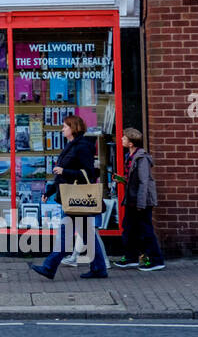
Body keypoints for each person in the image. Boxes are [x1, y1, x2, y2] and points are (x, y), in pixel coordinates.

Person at [29, 114, 108, 279]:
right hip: (71, 198)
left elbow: (89, 173)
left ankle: (49, 267)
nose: (62, 129)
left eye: (65, 126)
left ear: (73, 128)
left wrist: (65, 171)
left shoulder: (82, 147)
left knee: (66, 234)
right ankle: (99, 268)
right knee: (87, 234)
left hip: (77, 199)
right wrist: (49, 192)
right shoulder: (72, 145)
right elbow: (61, 176)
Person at [113, 127, 166, 271]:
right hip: (132, 199)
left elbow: (144, 182)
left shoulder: (141, 158)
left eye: (124, 138)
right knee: (129, 229)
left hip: (140, 201)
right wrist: (123, 179)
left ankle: (156, 260)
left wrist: (141, 204)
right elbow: (133, 180)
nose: (121, 139)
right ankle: (131, 258)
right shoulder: (129, 157)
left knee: (145, 230)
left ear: (131, 143)